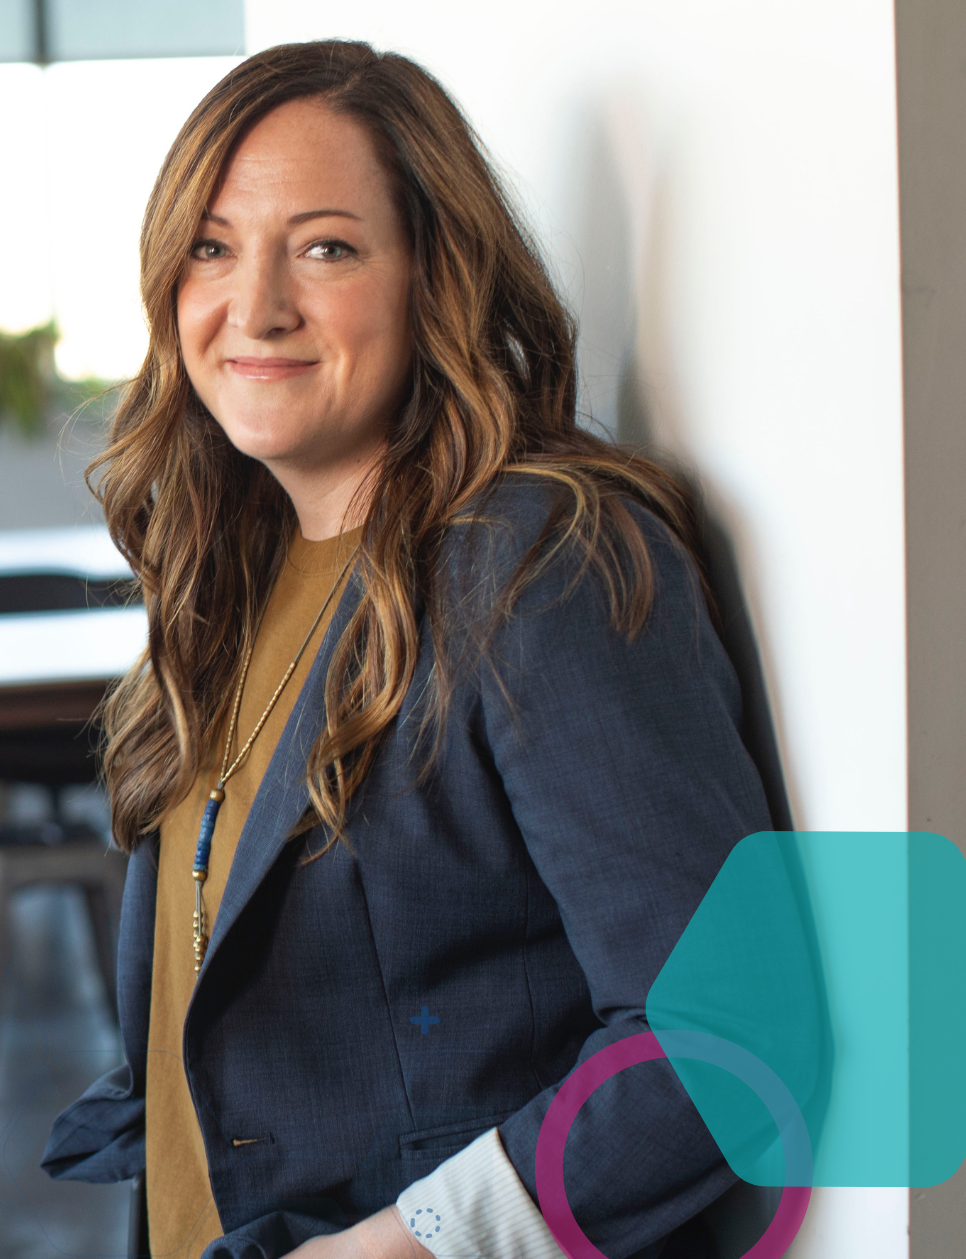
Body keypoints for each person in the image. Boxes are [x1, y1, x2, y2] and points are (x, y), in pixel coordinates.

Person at [42, 39, 791, 1259]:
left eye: (326, 247)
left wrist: (406, 1244)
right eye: (212, 247)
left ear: (432, 276)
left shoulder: (537, 558)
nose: (256, 305)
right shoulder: (236, 570)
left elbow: (725, 1028)